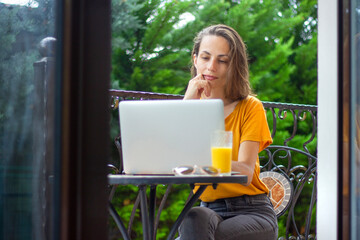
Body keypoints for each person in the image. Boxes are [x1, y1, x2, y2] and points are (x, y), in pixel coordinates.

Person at [178, 24, 278, 240]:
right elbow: (173, 159)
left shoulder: (250, 107)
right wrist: (187, 106)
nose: (211, 67)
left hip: (252, 211)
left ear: (234, 66)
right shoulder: (190, 107)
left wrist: (202, 162)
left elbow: (244, 171)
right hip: (207, 209)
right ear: (195, 59)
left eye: (222, 61)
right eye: (205, 57)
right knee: (193, 219)